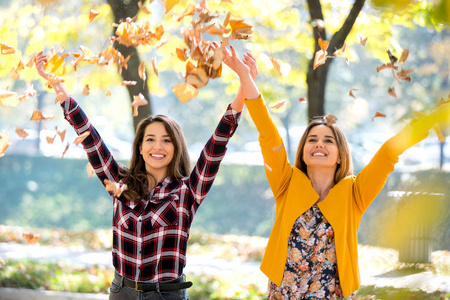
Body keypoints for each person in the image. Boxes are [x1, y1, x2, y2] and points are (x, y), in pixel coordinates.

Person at [34, 43, 259, 300]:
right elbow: (89, 138)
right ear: (140, 147)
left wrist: (244, 84)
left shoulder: (188, 191)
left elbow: (218, 143)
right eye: (150, 139)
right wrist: (56, 83)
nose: (158, 146)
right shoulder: (119, 183)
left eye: (166, 140)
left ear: (176, 147)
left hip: (167, 295)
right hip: (122, 292)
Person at [241, 60, 450, 298]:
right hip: (284, 294)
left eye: (328, 140)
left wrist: (431, 118)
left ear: (340, 155)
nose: (319, 143)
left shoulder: (354, 193)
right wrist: (245, 77)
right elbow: (269, 136)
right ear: (303, 151)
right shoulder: (286, 182)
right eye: (312, 139)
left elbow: (388, 153)